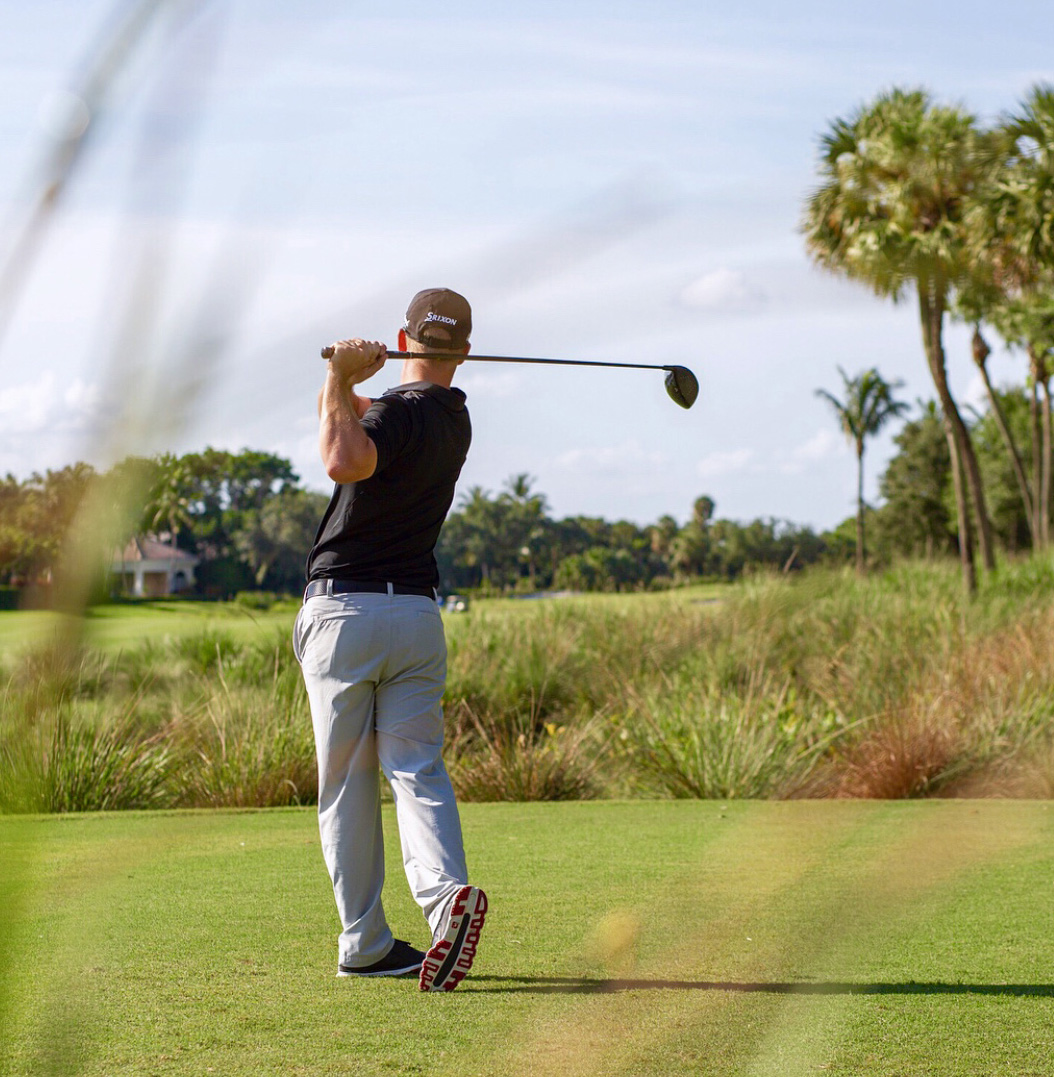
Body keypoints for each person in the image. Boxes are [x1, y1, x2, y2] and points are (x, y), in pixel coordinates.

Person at [293, 287, 487, 992]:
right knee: (416, 768)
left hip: (345, 612)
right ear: (462, 351)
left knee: (346, 785)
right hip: (415, 618)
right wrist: (339, 387)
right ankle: (446, 900)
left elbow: (344, 461)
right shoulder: (454, 419)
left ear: (404, 341)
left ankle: (366, 941)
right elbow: (349, 433)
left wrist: (342, 377)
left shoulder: (393, 410)